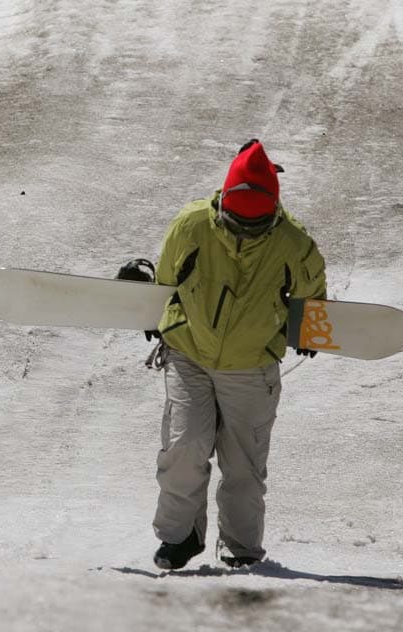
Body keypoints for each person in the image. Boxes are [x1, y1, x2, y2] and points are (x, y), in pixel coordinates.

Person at [146, 139, 327, 570]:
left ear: (272, 212)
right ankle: (179, 537)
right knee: (184, 448)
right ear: (223, 201)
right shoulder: (191, 225)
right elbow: (167, 280)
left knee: (244, 465)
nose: (245, 231)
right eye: (236, 222)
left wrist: (309, 329)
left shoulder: (293, 242)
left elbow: (311, 296)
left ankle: (240, 549)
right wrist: (148, 304)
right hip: (189, 353)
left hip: (252, 365)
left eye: (257, 224)